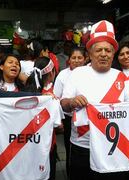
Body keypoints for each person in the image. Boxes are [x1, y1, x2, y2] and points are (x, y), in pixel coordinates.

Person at [60, 20, 129, 180]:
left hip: (115, 148)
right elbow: (64, 105)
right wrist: (72, 102)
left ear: (113, 53)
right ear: (90, 54)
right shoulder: (77, 74)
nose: (103, 53)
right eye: (98, 49)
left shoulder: (120, 76)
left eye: (108, 50)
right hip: (83, 146)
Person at [53, 47, 87, 177]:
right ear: (69, 60)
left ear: (85, 59)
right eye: (74, 58)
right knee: (70, 149)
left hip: (88, 119)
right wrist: (59, 120)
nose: (77, 61)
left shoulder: (90, 73)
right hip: (69, 119)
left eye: (80, 58)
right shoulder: (63, 75)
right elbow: (56, 98)